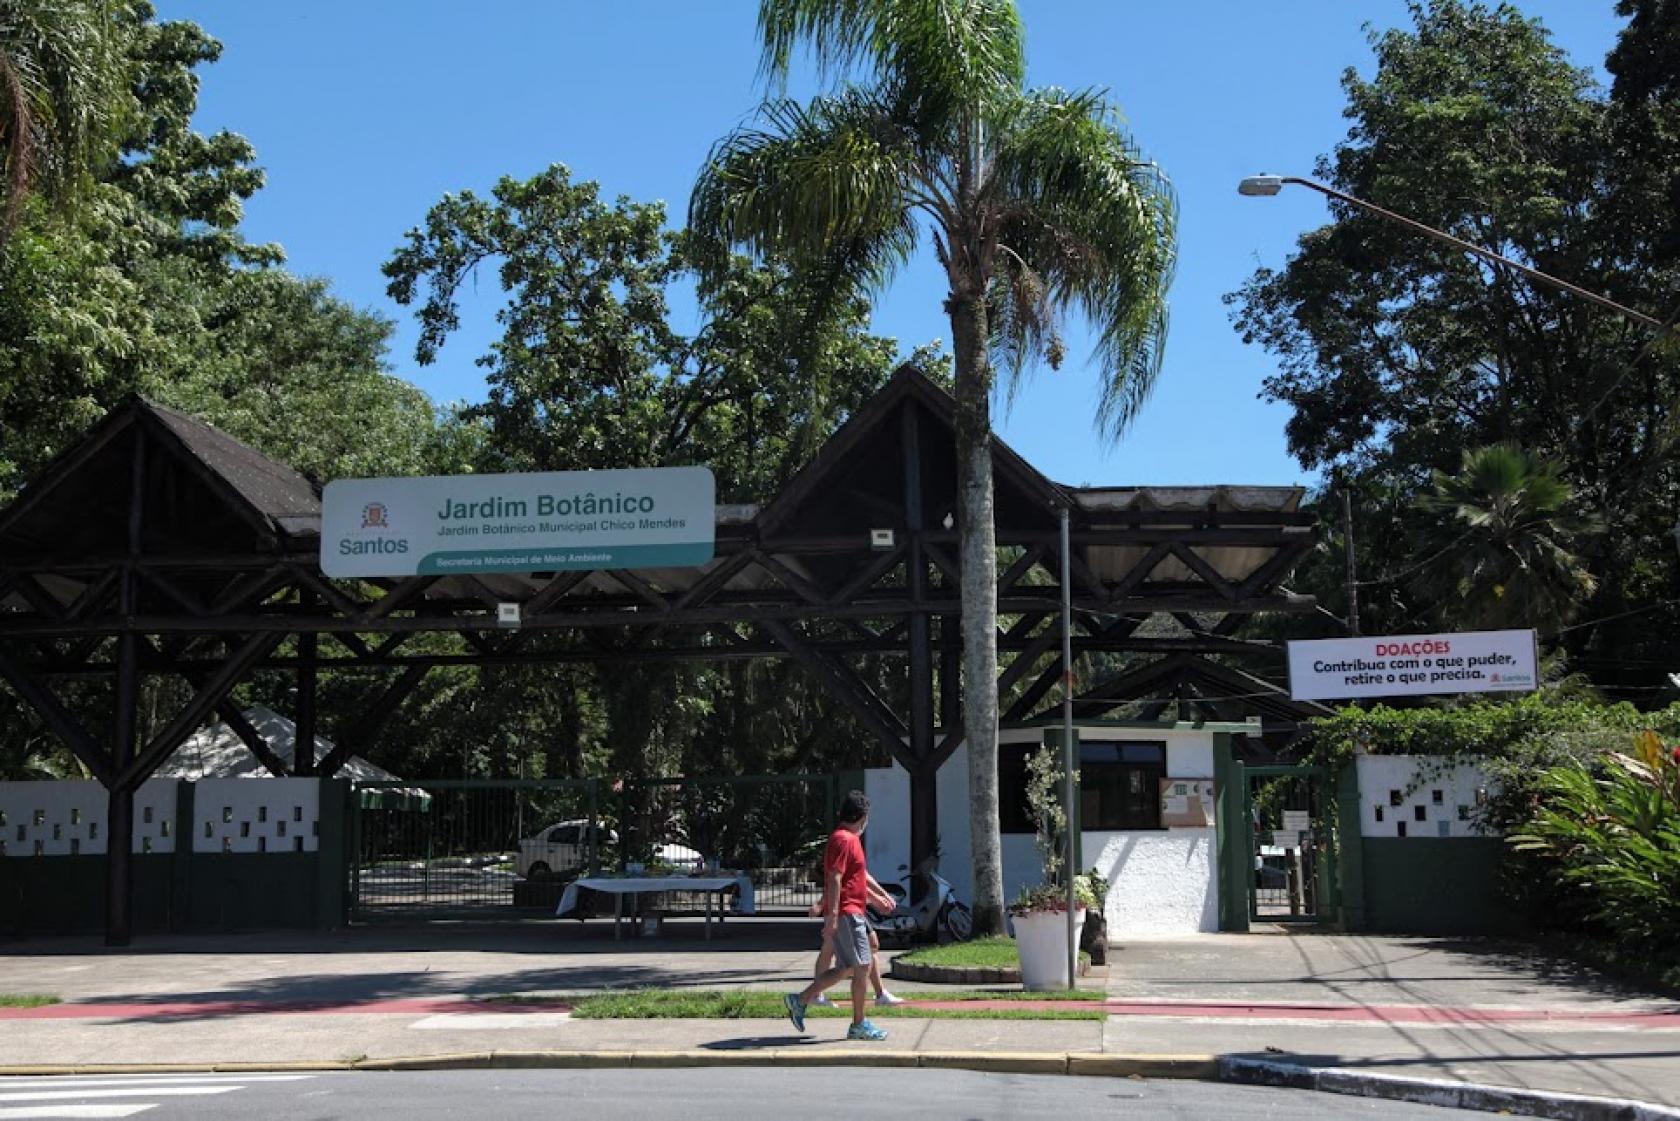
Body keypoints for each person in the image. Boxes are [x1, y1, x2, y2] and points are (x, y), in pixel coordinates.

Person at [783, 790, 886, 1040]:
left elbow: (854, 879)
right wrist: (833, 915)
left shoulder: (846, 839)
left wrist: (877, 897)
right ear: (861, 816)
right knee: (861, 967)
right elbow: (835, 878)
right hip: (848, 914)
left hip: (853, 912)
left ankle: (801, 999)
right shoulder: (845, 840)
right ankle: (858, 1024)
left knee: (850, 967)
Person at [807, 869, 902, 1007]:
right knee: (835, 952)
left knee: (870, 945)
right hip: (844, 909)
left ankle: (880, 994)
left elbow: (862, 875)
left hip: (852, 908)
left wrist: (882, 895)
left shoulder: (853, 850)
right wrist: (877, 898)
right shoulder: (845, 848)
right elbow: (839, 880)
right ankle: (811, 995)